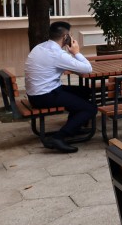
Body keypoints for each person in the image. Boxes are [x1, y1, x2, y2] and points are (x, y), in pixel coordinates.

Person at [25, 21, 96, 153]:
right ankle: (58, 137)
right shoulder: (58, 54)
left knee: (84, 91)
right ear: (65, 37)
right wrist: (76, 52)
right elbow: (87, 69)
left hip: (36, 94)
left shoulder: (40, 47)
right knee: (91, 109)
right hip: (44, 96)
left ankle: (75, 125)